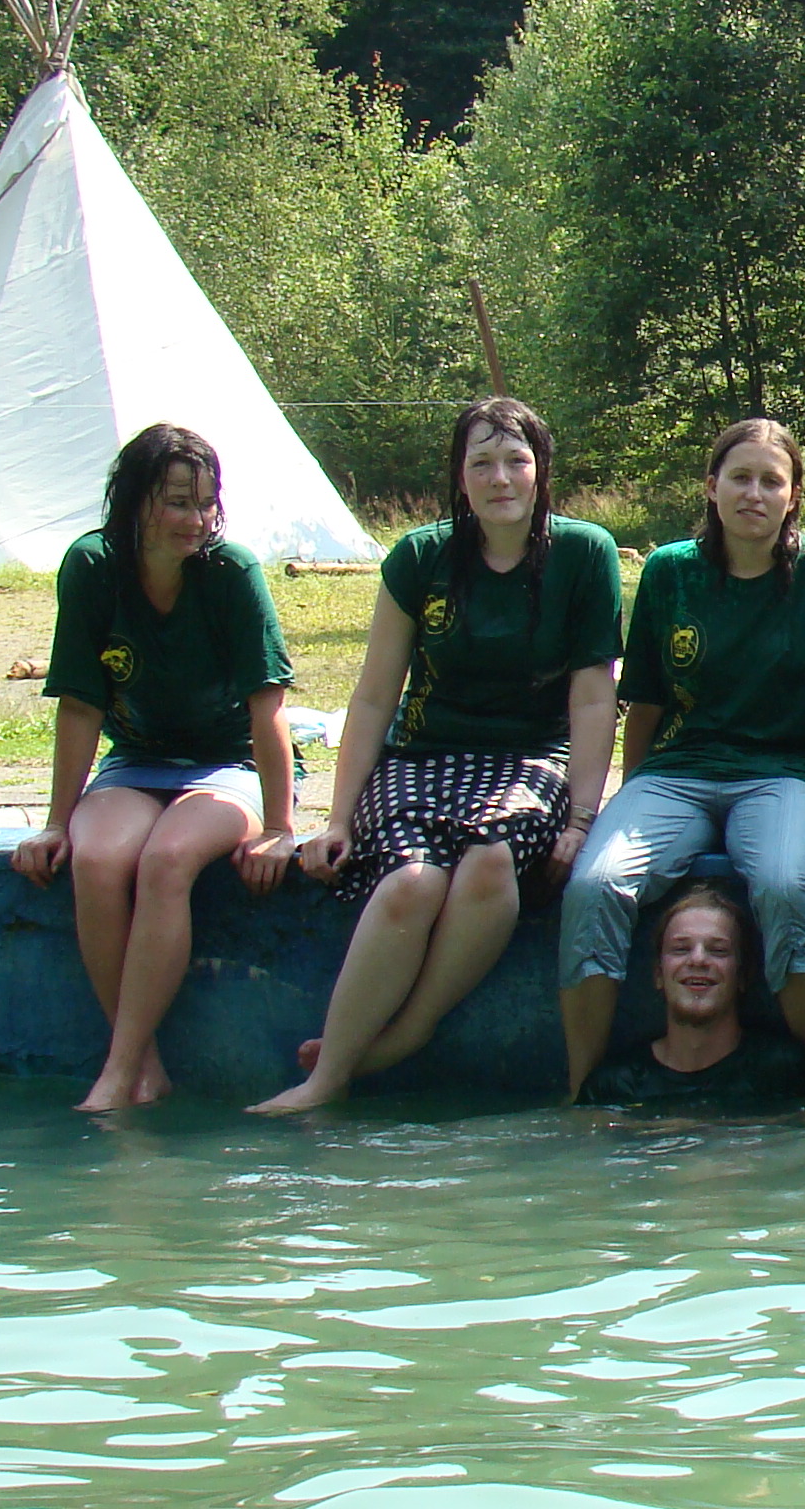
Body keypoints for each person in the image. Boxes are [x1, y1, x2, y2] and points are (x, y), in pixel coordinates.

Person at [261, 398, 619, 1114]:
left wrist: (582, 819)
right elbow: (372, 699)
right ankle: (326, 1079)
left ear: (542, 471)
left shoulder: (584, 554)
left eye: (516, 461)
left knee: (489, 862)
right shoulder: (420, 558)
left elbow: (592, 698)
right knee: (411, 884)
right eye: (481, 463)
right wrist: (337, 819)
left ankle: (409, 1031)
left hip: (531, 761)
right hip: (421, 758)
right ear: (459, 476)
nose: (500, 478)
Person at [556, 419, 805, 1093]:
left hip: (785, 777)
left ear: (793, 496)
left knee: (784, 887)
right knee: (594, 886)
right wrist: (630, 796)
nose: (754, 494)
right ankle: (583, 1092)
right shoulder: (670, 572)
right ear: (711, 486)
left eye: (771, 481)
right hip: (675, 775)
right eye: (740, 478)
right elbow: (644, 704)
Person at [14, 424, 296, 1112]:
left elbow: (268, 707)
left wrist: (281, 827)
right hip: (137, 760)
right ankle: (143, 1067)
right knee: (96, 858)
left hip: (227, 763)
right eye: (177, 502)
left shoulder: (231, 573)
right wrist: (55, 822)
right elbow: (81, 704)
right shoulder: (92, 565)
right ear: (135, 500)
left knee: (166, 860)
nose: (196, 520)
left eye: (206, 502)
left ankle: (117, 1073)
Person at [577, 881, 805, 1111]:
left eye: (718, 950)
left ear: (742, 975)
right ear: (658, 974)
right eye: (681, 949)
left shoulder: (786, 1075)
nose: (698, 960)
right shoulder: (613, 1089)